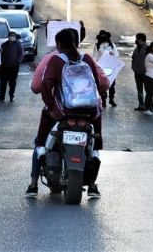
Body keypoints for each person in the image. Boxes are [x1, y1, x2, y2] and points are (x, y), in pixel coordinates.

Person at [26, 29, 109, 198]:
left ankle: (34, 185)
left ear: (58, 44)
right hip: (89, 113)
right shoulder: (87, 58)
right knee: (94, 142)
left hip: (64, 113)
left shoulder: (55, 60)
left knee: (40, 141)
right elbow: (100, 84)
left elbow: (46, 85)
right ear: (76, 43)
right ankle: (92, 184)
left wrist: (50, 105)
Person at [92, 30, 119, 107]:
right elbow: (94, 57)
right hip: (101, 67)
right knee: (102, 84)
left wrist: (113, 54)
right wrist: (95, 66)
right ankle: (103, 100)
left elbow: (117, 54)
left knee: (112, 84)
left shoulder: (112, 45)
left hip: (110, 67)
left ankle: (111, 99)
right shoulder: (97, 46)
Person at [0, 31, 24, 102]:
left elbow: (21, 54)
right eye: (10, 35)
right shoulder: (4, 45)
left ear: (15, 37)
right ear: (8, 36)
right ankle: (2, 96)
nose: (12, 37)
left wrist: (17, 61)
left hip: (14, 67)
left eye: (13, 36)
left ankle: (11, 96)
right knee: (3, 82)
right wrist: (0, 52)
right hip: (5, 66)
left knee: (12, 82)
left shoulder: (18, 45)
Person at [131, 33, 148, 110]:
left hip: (145, 73)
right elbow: (133, 59)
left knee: (147, 89)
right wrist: (134, 68)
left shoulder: (147, 48)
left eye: (137, 38)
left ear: (140, 39)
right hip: (137, 72)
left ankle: (148, 105)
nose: (136, 40)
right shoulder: (136, 49)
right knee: (139, 89)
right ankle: (141, 104)